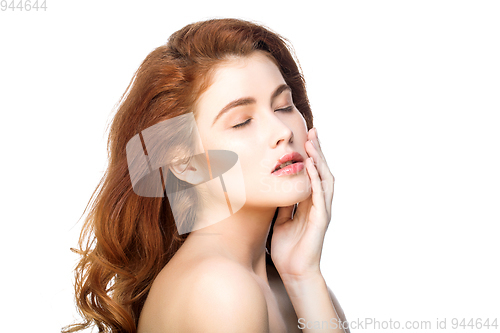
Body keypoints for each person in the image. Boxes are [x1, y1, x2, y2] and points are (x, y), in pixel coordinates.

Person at [63, 18, 349, 333]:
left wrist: (303, 276)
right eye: (242, 121)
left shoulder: (286, 280)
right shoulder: (220, 289)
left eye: (283, 106)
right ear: (185, 164)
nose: (283, 131)